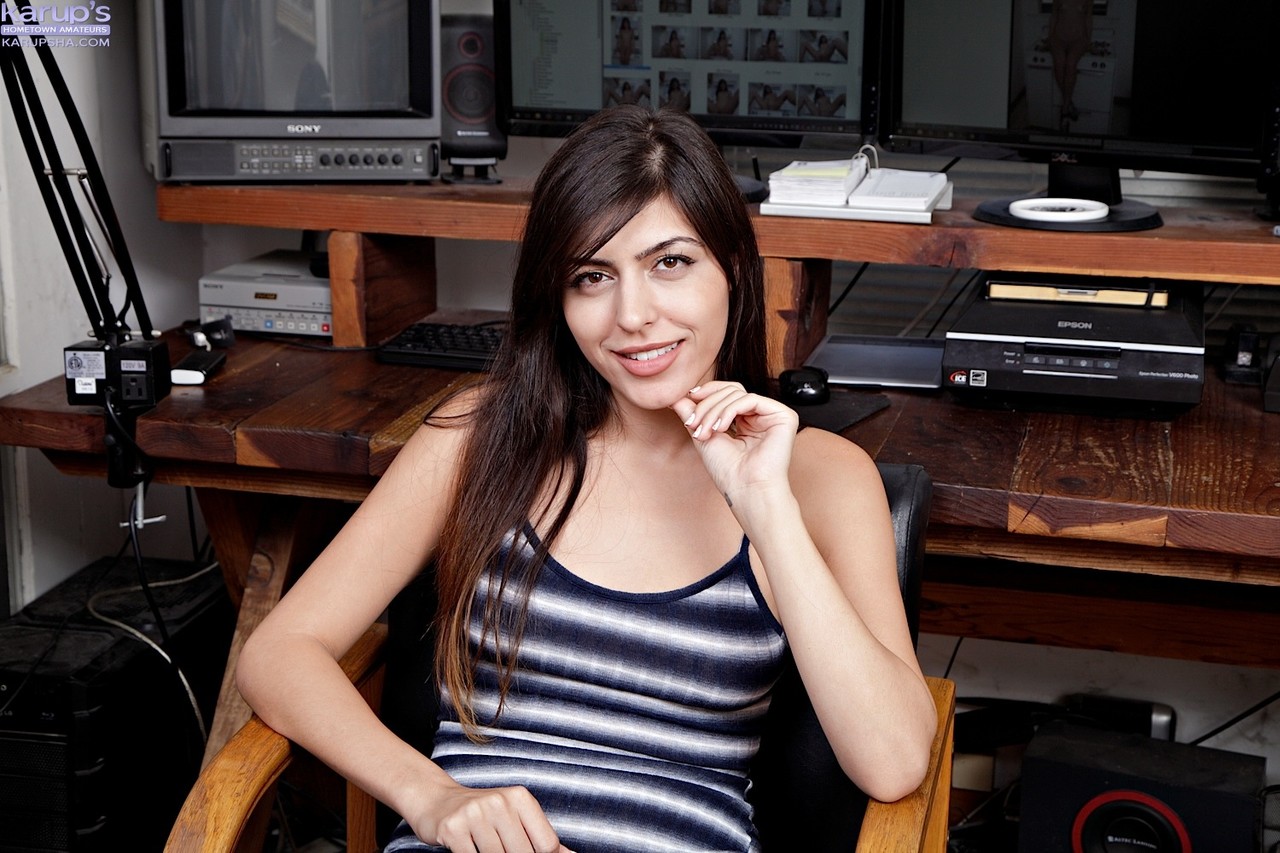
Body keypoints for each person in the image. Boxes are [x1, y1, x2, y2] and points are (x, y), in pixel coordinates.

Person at [236, 104, 936, 853]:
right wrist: (430, 794)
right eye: (592, 276)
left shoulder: (821, 477)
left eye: (670, 262)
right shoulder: (480, 436)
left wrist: (764, 506)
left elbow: (893, 761)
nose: (632, 315)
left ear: (733, 267)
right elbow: (278, 653)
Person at [1047, 0, 1093, 125]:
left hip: (1079, 38)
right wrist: (1050, 37)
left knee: (1071, 64)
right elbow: (1054, 16)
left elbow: (1088, 19)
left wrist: (1088, 39)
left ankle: (1065, 108)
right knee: (1059, 64)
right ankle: (1069, 103)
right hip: (1058, 37)